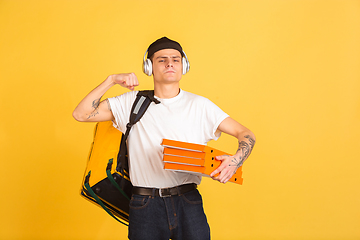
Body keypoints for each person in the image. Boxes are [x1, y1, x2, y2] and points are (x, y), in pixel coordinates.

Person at [73, 37, 255, 240]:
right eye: (162, 59)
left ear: (183, 66)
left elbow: (246, 134)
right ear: (149, 66)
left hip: (188, 202)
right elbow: (81, 114)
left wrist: (236, 160)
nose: (170, 63)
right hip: (145, 205)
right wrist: (111, 80)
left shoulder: (200, 106)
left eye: (176, 59)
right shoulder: (130, 103)